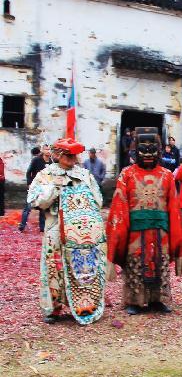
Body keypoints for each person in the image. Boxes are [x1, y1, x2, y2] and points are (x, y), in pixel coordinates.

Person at [27, 138, 107, 324]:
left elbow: (98, 200)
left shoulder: (85, 175)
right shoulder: (46, 175)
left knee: (84, 267)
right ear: (57, 155)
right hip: (56, 229)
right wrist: (53, 188)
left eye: (74, 154)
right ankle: (54, 309)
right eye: (67, 154)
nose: (72, 158)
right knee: (55, 268)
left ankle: (84, 304)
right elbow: (34, 200)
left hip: (84, 233)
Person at [106, 128, 182, 315]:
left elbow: (174, 206)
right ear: (135, 152)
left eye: (152, 151)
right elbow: (120, 204)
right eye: (143, 152)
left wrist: (177, 233)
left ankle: (158, 300)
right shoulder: (127, 174)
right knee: (135, 263)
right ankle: (135, 300)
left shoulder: (167, 175)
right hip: (136, 229)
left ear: (159, 152)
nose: (148, 155)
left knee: (160, 263)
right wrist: (118, 232)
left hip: (161, 229)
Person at [20, 145, 50, 232]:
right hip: (35, 187)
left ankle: (42, 227)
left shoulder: (51, 162)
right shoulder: (36, 160)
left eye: (49, 149)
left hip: (45, 188)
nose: (48, 151)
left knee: (43, 208)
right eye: (46, 149)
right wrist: (29, 183)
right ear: (42, 150)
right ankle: (22, 225)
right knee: (28, 207)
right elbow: (29, 172)